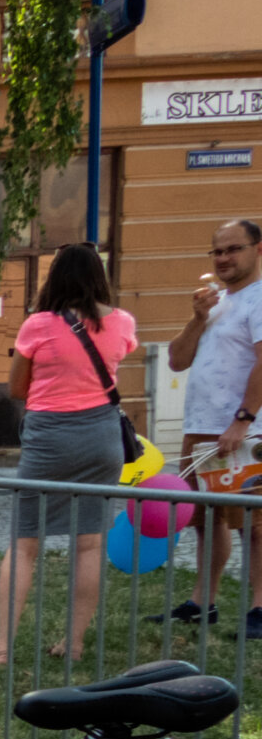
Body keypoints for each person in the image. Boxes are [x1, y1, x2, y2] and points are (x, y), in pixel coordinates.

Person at [0, 243, 138, 666]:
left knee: (24, 543)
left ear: (54, 277)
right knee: (89, 544)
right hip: (102, 437)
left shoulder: (38, 325)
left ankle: (3, 646)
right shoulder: (122, 322)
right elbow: (116, 361)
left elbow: (17, 388)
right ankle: (73, 643)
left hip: (50, 437)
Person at [166, 219, 262, 635]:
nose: (223, 258)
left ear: (258, 249)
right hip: (202, 428)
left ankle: (260, 608)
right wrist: (197, 318)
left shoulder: (259, 298)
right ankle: (203, 602)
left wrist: (243, 420)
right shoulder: (216, 302)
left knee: (254, 524)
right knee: (207, 520)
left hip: (244, 431)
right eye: (217, 251)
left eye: (233, 249)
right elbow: (176, 360)